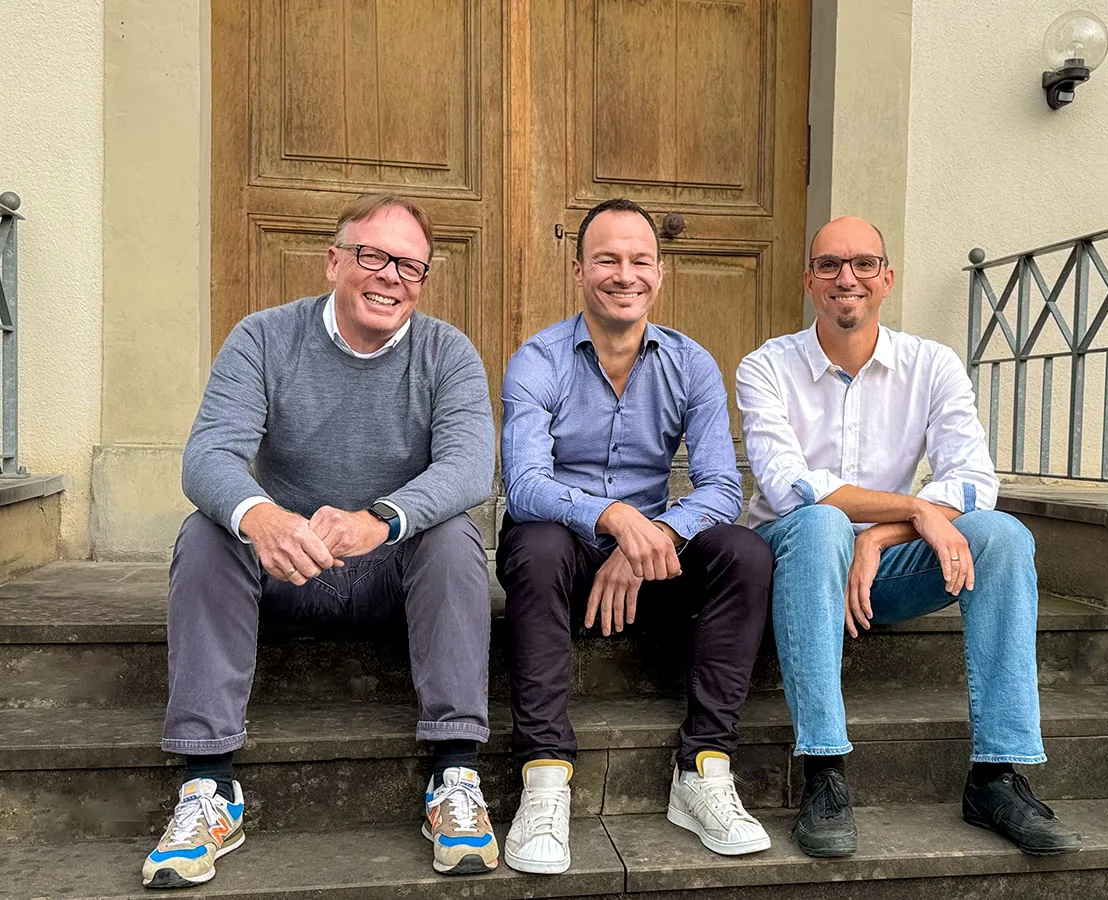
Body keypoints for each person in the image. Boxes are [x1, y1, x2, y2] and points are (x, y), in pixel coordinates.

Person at [142, 194, 499, 888]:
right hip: (288, 570)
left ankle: (455, 774)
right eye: (373, 256)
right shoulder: (263, 337)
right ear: (334, 261)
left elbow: (468, 466)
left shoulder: (447, 352)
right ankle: (209, 786)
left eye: (410, 265)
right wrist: (263, 517)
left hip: (394, 575)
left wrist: (379, 520)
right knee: (207, 531)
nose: (391, 276)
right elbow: (209, 454)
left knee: (454, 536)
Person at [736, 216, 1082, 859]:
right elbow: (789, 487)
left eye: (864, 264)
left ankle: (996, 776)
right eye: (830, 265)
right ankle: (823, 771)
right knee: (821, 522)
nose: (847, 277)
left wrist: (883, 536)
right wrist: (916, 510)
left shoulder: (932, 364)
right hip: (795, 564)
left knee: (1002, 536)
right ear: (809, 281)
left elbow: (974, 480)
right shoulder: (767, 367)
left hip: (884, 570)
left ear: (887, 278)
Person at [497, 198, 773, 875]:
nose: (625, 275)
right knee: (535, 541)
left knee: (745, 552)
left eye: (640, 260)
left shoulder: (691, 364)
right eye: (607, 260)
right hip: (562, 560)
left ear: (660, 272)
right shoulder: (538, 360)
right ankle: (543, 776)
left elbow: (722, 487)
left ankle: (704, 769)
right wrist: (613, 517)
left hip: (651, 565)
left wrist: (654, 533)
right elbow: (524, 484)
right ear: (578, 271)